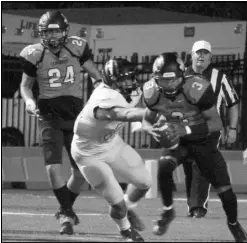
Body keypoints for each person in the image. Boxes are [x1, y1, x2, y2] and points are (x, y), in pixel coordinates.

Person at [141, 52, 247, 242]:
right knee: (164, 167)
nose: (168, 85)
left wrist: (185, 130)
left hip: (203, 139)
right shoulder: (152, 92)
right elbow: (146, 121)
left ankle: (233, 223)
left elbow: (216, 124)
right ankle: (168, 211)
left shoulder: (197, 87)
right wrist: (152, 131)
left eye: (172, 80)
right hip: (178, 141)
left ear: (182, 76)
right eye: (162, 81)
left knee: (225, 190)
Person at [19, 10, 103, 235]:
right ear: (42, 33)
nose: (53, 37)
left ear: (65, 32)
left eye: (56, 32)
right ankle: (66, 211)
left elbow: (96, 76)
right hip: (49, 115)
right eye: (48, 32)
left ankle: (65, 210)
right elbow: (26, 85)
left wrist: (99, 88)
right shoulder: (34, 54)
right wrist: (28, 102)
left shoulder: (77, 47)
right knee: (52, 168)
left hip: (76, 116)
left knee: (81, 173)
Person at [71, 58, 152, 242]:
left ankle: (129, 206)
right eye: (123, 80)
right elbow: (124, 114)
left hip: (112, 143)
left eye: (129, 78)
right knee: (118, 206)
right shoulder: (104, 98)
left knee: (145, 182)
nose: (129, 83)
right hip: (88, 154)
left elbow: (135, 107)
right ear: (112, 81)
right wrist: (151, 115)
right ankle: (125, 230)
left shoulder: (131, 90)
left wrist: (147, 122)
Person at [183, 40, 240, 218]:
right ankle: (193, 204)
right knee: (188, 167)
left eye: (205, 53)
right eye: (198, 52)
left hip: (209, 129)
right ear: (191, 55)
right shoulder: (182, 76)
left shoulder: (219, 77)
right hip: (185, 129)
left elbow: (233, 103)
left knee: (201, 164)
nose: (201, 55)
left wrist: (232, 128)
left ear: (210, 57)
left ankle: (198, 206)